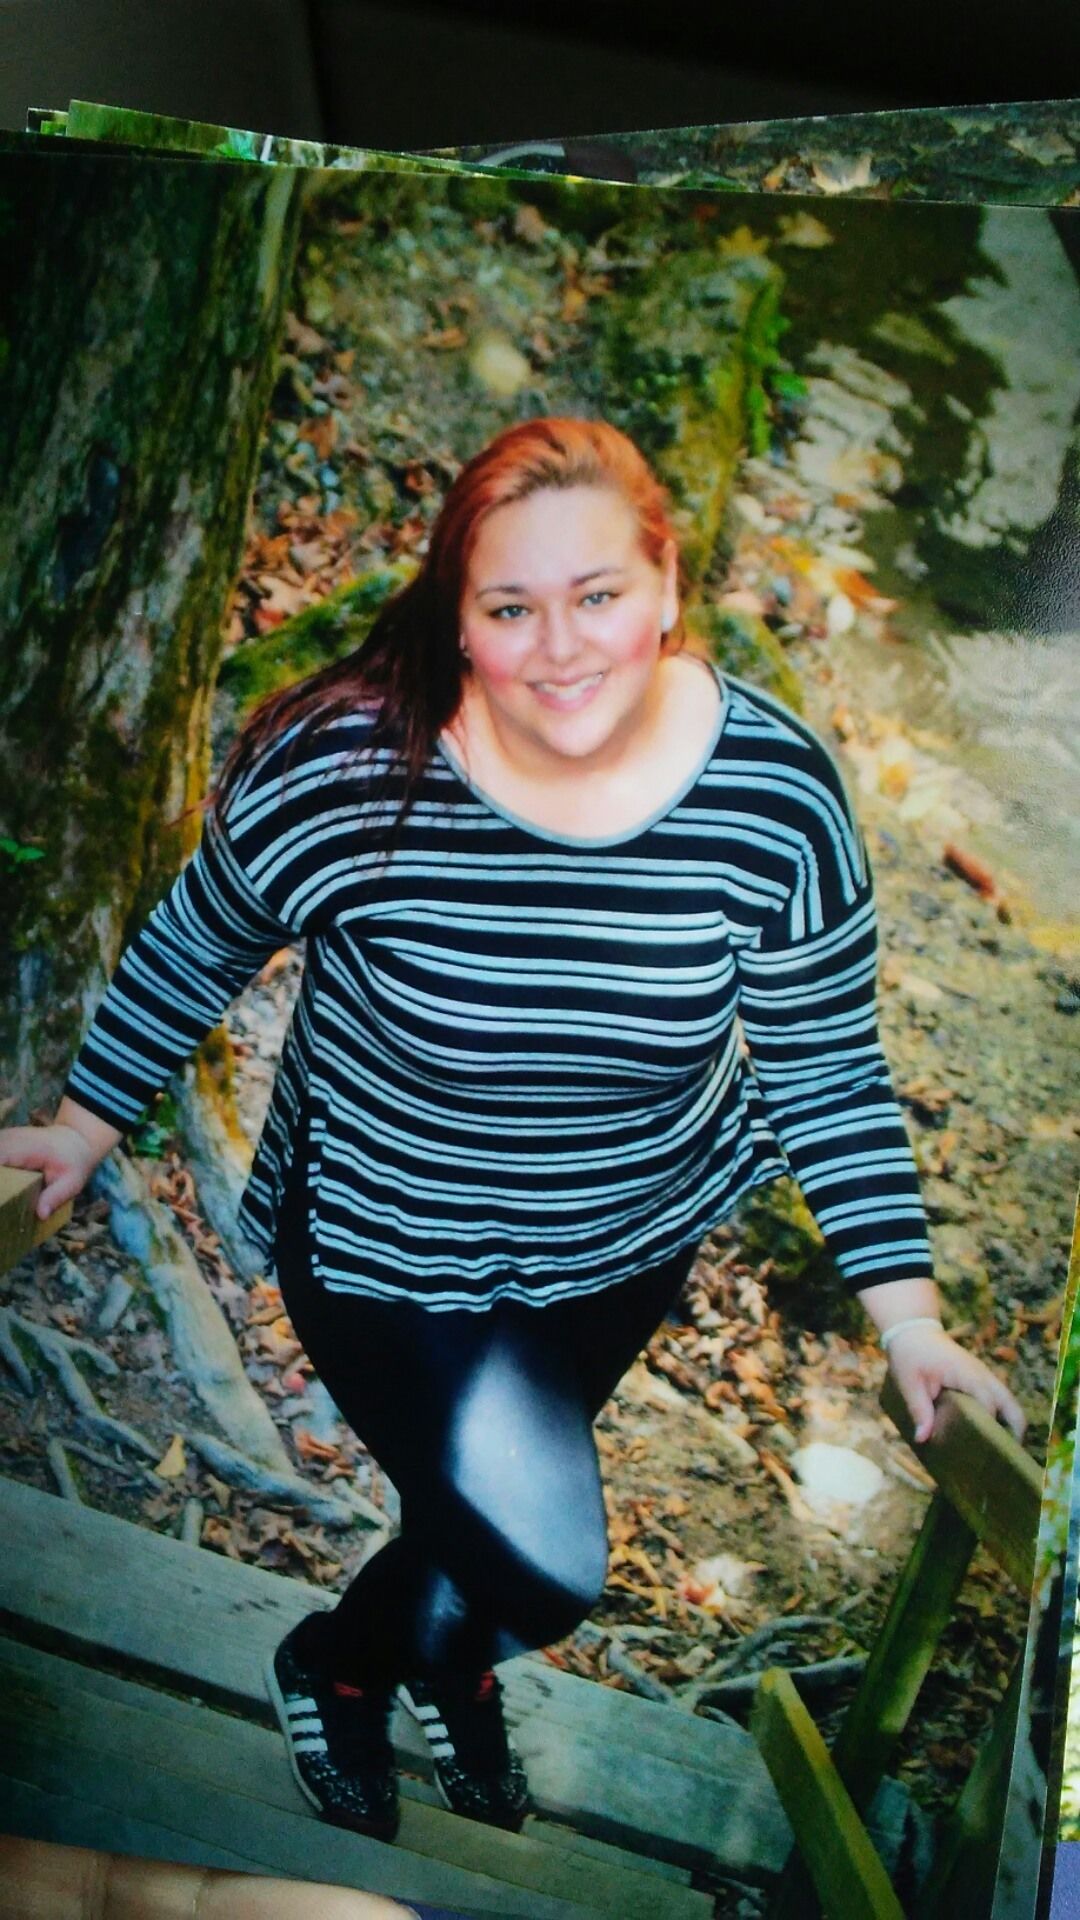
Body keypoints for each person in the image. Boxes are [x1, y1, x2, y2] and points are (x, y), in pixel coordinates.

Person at [1, 417, 1025, 1846]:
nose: (560, 647)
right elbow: (199, 940)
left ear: (667, 588)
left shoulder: (772, 797)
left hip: (619, 1241)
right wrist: (83, 1126)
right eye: (511, 607)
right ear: (459, 617)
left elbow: (827, 1069)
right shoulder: (352, 762)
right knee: (539, 1562)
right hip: (388, 1238)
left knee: (471, 1529)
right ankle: (343, 1665)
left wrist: (908, 1319)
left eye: (597, 594)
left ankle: (435, 1656)